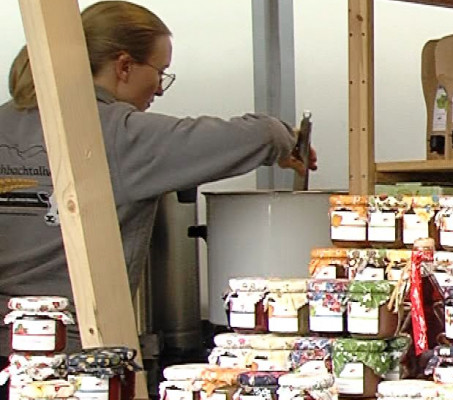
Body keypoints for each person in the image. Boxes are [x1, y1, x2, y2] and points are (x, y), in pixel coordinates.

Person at [0, 1, 314, 356]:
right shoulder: (118, 134)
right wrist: (289, 138)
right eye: (160, 72)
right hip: (68, 357)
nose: (160, 89)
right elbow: (261, 136)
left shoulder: (5, 121)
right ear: (123, 66)